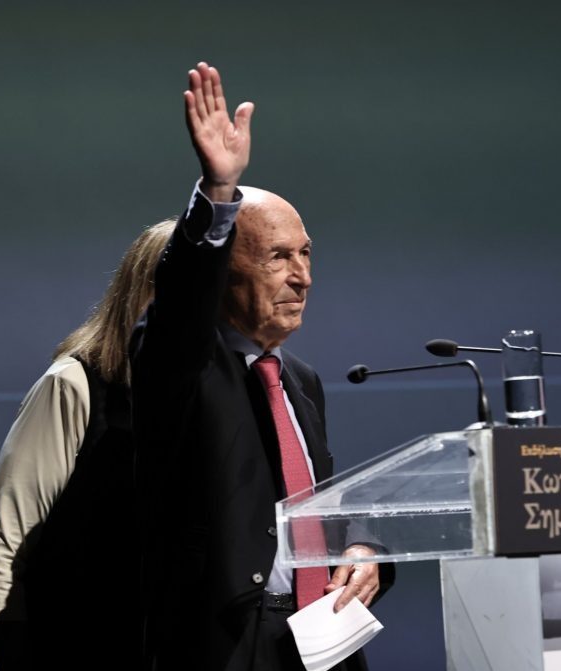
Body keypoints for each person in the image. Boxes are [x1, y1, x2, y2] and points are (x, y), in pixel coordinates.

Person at [131, 62, 394, 671]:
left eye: (306, 255)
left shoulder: (298, 380)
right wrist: (218, 193)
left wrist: (364, 547)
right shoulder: (183, 362)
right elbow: (180, 304)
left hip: (321, 637)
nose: (303, 277)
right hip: (231, 644)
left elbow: (312, 505)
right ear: (226, 272)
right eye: (278, 257)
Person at [0, 220, 175, 670]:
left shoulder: (227, 396)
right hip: (83, 641)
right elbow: (4, 539)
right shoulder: (75, 383)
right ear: (143, 294)